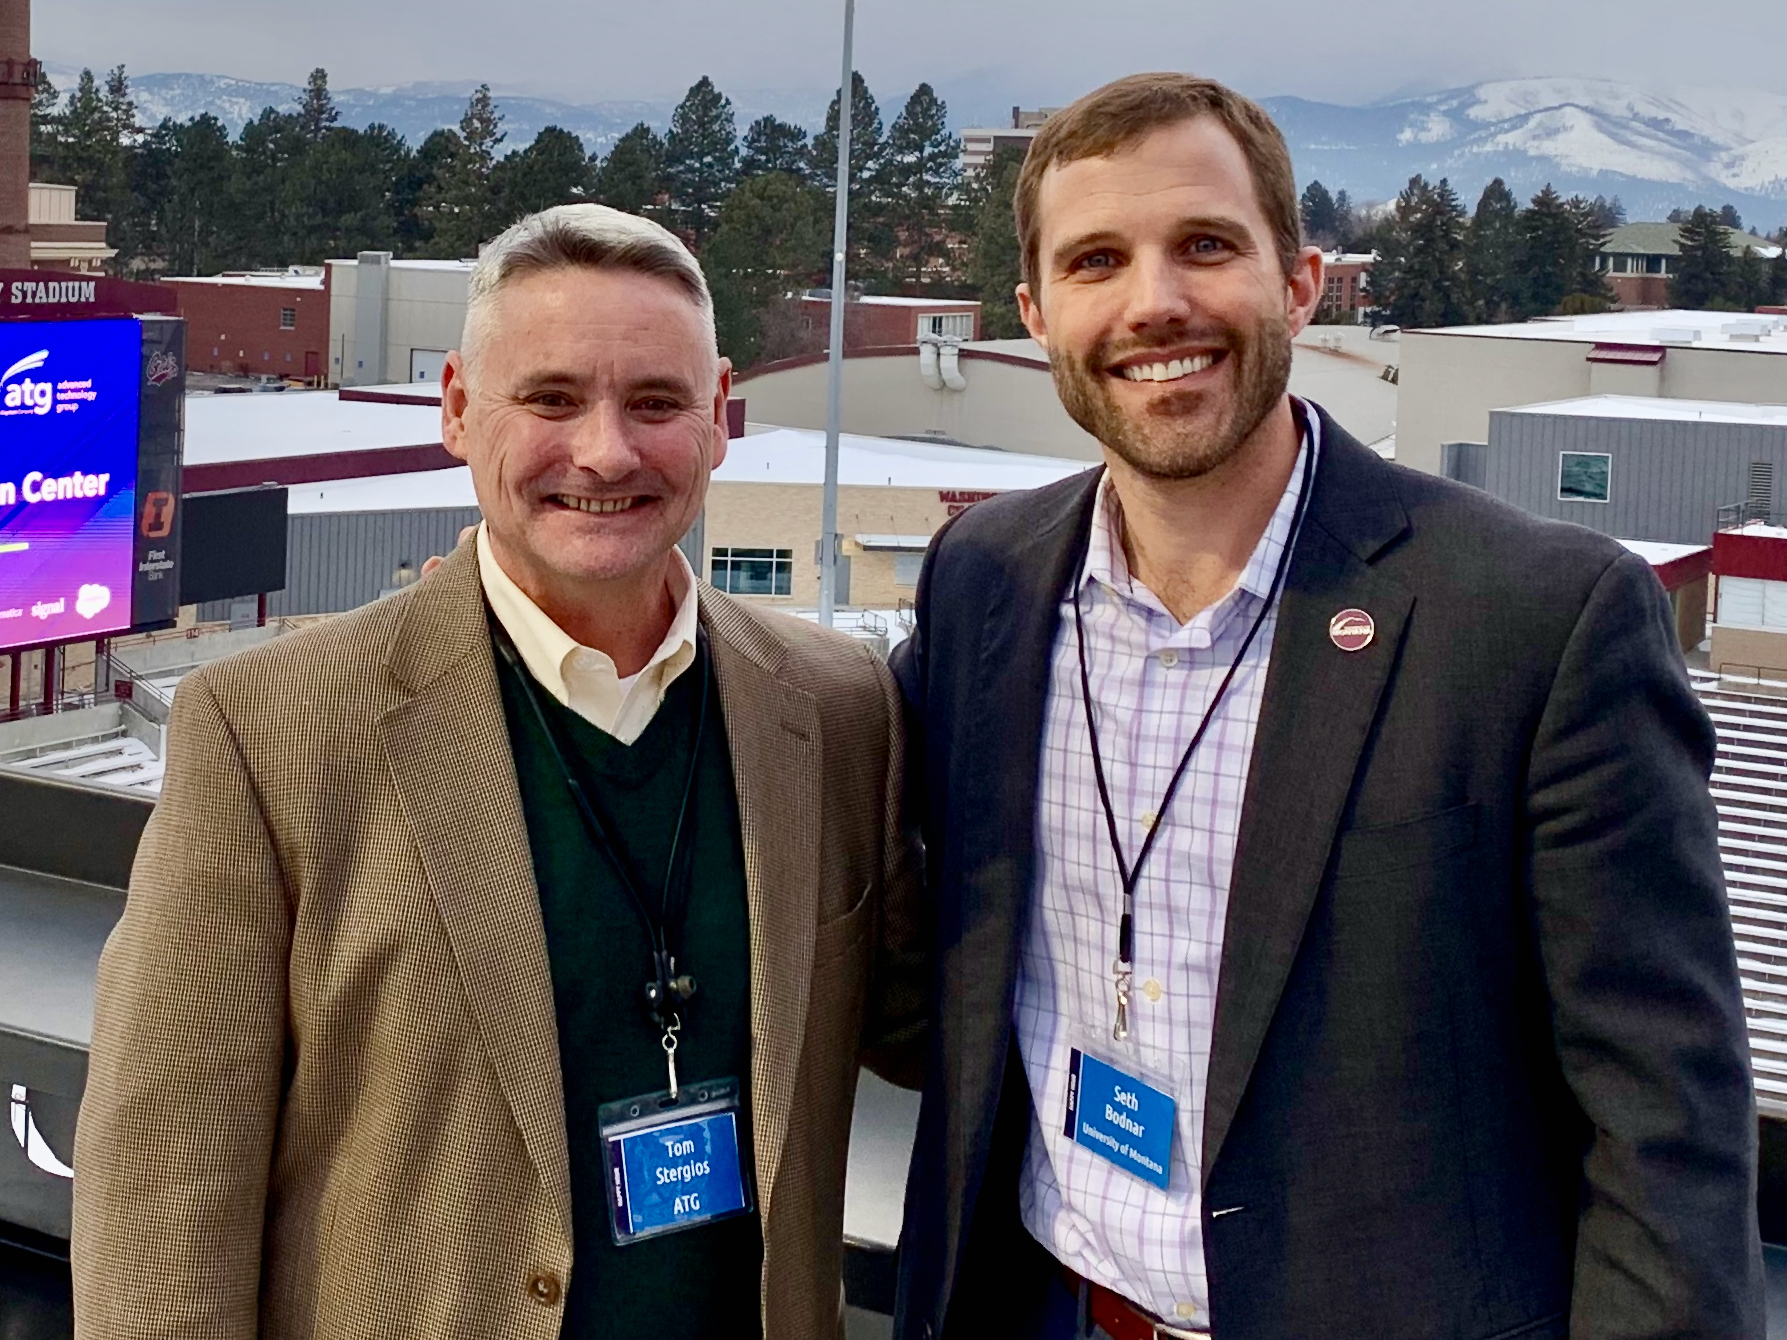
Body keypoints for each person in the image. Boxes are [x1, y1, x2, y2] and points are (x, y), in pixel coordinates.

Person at [891, 73, 1762, 1340]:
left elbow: (1665, 1125)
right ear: (1035, 314)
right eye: (1095, 261)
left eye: (1204, 245)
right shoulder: (981, 583)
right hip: (1046, 1302)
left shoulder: (1536, 620)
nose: (1154, 303)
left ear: (1297, 282)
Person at [71, 204, 926, 1340]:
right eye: (553, 398)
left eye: (657, 403)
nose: (608, 451)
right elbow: (164, 1185)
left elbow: (938, 1020)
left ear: (720, 417)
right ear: (460, 410)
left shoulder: (836, 707)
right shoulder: (270, 730)